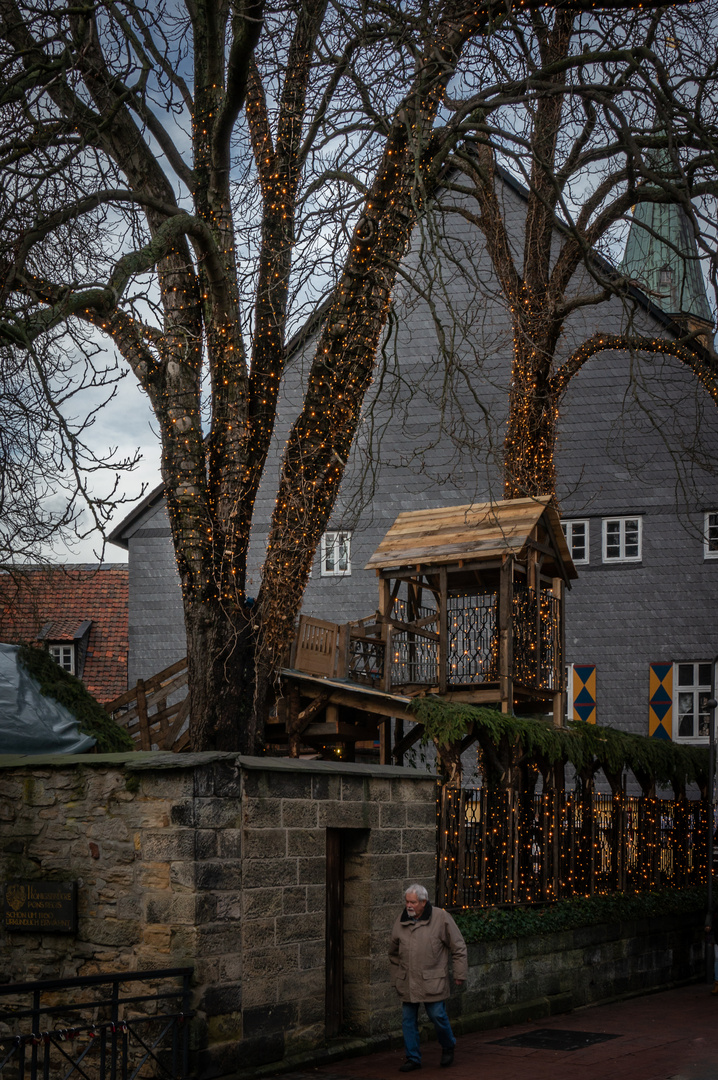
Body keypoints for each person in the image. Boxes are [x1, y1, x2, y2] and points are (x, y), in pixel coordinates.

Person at [388, 884, 468, 1071]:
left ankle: (448, 1045)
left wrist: (459, 973)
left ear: (424, 902)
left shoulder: (441, 918)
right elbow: (393, 953)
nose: (409, 905)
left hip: (432, 980)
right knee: (408, 1020)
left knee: (437, 1016)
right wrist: (397, 977)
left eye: (413, 902)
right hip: (408, 981)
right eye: (407, 901)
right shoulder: (400, 922)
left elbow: (458, 947)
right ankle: (413, 1058)